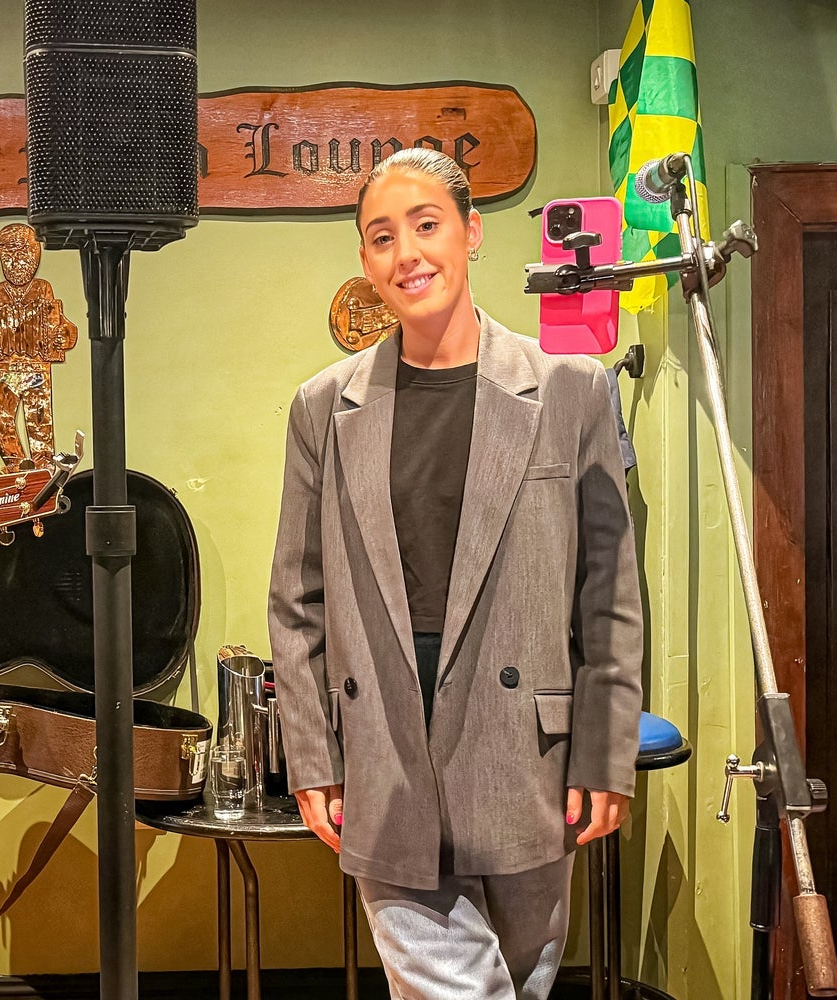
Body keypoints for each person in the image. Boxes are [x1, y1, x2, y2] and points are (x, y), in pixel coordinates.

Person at [268, 148, 643, 1000]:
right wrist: (311, 757)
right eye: (381, 236)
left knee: (520, 982)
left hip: (529, 762)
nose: (407, 253)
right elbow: (297, 600)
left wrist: (605, 752)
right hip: (386, 756)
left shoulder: (570, 390)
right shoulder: (324, 407)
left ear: (471, 233)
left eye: (427, 225)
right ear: (364, 261)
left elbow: (609, 591)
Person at [0, 222, 78, 469]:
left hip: (37, 369)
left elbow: (64, 326)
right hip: (7, 369)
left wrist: (63, 335)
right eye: (8, 255)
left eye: (22, 253)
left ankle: (44, 473)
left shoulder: (42, 289)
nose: (15, 261)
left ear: (35, 255)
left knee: (39, 428)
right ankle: (17, 467)